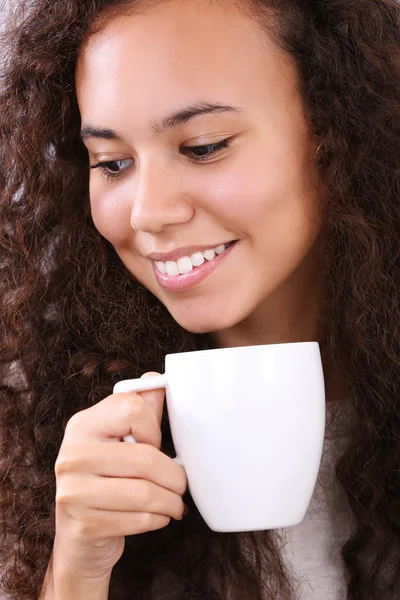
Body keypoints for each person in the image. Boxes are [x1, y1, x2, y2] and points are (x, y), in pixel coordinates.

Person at [0, 0, 399, 598]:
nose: (148, 213)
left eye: (204, 146)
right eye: (113, 163)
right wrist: (76, 571)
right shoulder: (37, 429)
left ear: (334, 129)